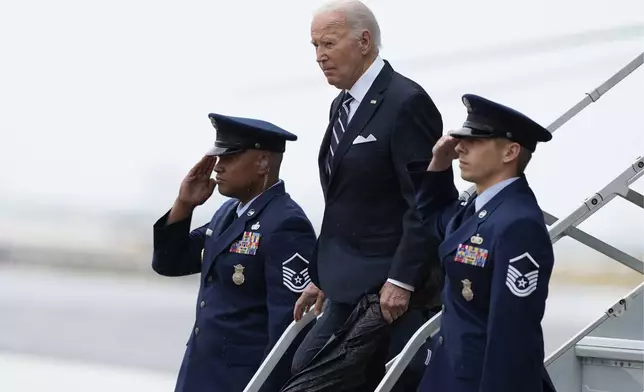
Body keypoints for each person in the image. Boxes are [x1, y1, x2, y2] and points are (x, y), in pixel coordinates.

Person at [291, 0, 446, 390]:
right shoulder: (341, 105)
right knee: (307, 368)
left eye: (328, 44)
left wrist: (403, 280)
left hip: (390, 291)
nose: (320, 57)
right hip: (347, 283)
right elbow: (347, 203)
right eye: (315, 47)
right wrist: (322, 274)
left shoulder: (406, 102)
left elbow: (425, 201)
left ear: (363, 41)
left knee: (389, 380)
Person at [152, 113, 317, 392]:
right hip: (201, 374)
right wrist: (184, 204)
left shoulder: (286, 223)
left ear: (263, 162)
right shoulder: (228, 214)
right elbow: (170, 262)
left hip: (242, 381)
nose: (218, 168)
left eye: (229, 157)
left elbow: (289, 330)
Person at [407, 93, 557, 392]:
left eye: (474, 141)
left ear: (510, 152)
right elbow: (431, 221)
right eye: (461, 139)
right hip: (449, 371)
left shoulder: (518, 223)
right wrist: (438, 163)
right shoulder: (478, 208)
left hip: (479, 381)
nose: (460, 147)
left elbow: (513, 334)